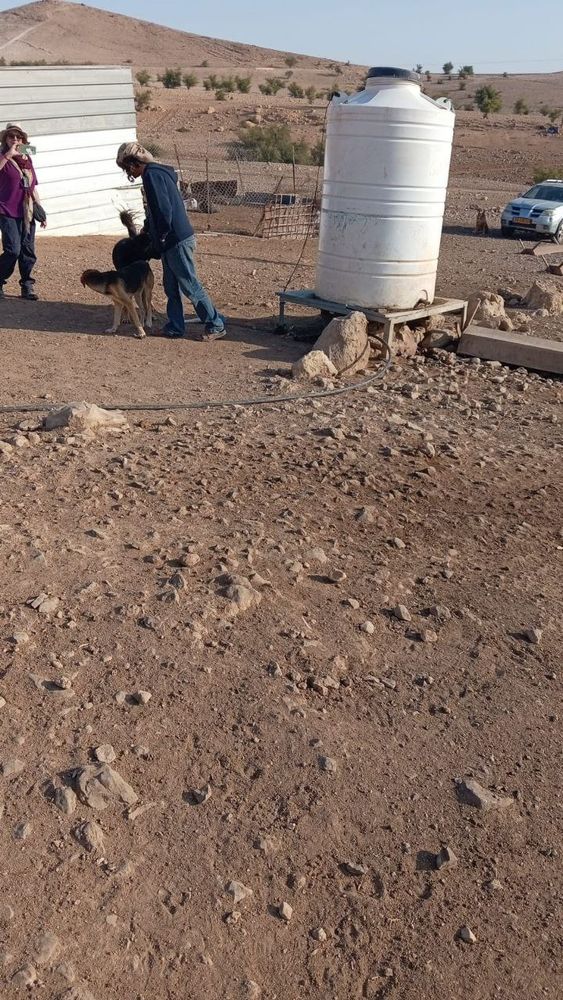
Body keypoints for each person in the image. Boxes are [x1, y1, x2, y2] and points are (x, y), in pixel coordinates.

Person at [116, 142, 225, 340]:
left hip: (175, 240)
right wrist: (150, 228)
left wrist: (161, 234)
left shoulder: (151, 176)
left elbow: (164, 210)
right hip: (172, 240)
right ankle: (175, 326)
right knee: (171, 286)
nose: (128, 172)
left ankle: (215, 324)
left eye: (126, 168)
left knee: (189, 284)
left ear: (133, 163)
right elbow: (157, 208)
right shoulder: (159, 173)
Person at [0, 122, 47, 301]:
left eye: (19, 137)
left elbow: (32, 186)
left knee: (28, 251)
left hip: (26, 210)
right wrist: (8, 155)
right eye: (11, 136)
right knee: (13, 250)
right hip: (6, 209)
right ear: (5, 139)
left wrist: (40, 209)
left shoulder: (27, 159)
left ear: (23, 140)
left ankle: (27, 285)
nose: (15, 139)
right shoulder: (2, 155)